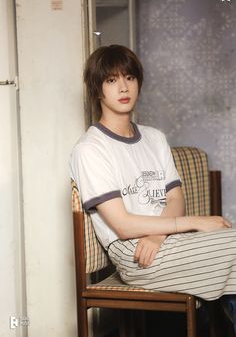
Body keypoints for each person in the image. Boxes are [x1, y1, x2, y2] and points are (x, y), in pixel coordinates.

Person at [70, 45, 236, 332]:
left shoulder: (154, 138)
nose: (123, 87)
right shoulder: (90, 149)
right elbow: (121, 225)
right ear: (97, 90)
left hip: (163, 241)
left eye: (129, 78)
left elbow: (175, 198)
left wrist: (158, 234)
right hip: (134, 254)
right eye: (111, 80)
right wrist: (196, 222)